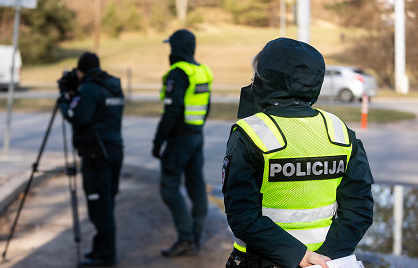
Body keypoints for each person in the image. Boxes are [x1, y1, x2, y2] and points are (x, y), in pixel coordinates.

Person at [222, 38, 374, 268]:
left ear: (266, 79)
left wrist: (299, 256)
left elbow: (241, 214)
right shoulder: (339, 131)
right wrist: (325, 258)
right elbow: (359, 207)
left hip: (262, 260)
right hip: (326, 262)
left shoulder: (252, 133)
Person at [151, 29, 214, 257]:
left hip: (179, 139)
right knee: (196, 187)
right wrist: (196, 129)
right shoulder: (202, 71)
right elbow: (207, 107)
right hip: (196, 136)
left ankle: (186, 239)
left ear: (176, 47)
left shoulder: (178, 73)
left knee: (169, 188)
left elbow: (171, 111)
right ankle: (195, 236)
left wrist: (158, 142)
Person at [59, 52, 124, 267]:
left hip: (96, 154)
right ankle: (100, 249)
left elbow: (78, 117)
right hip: (114, 150)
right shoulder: (113, 85)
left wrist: (64, 101)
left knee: (98, 205)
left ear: (81, 70)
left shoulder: (89, 88)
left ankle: (105, 256)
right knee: (106, 202)